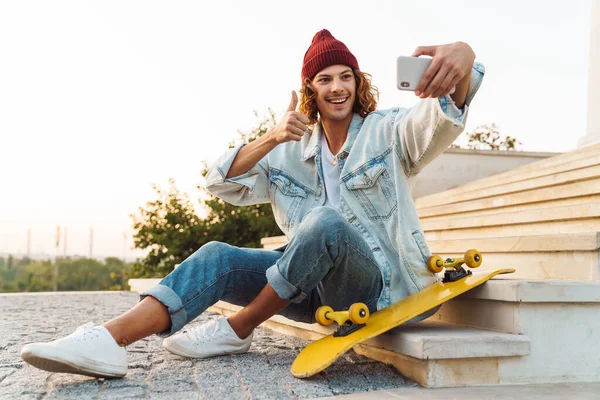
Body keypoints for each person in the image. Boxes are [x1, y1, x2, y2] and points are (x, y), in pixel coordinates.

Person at [20, 29, 484, 379]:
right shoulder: (288, 150)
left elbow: (443, 117)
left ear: (357, 83)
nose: (337, 86)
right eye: (325, 78)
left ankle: (239, 328)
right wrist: (273, 136)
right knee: (217, 255)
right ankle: (107, 340)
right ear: (312, 90)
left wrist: (464, 57)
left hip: (375, 288)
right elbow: (218, 181)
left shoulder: (389, 131)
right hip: (309, 291)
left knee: (324, 223)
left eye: (346, 76)